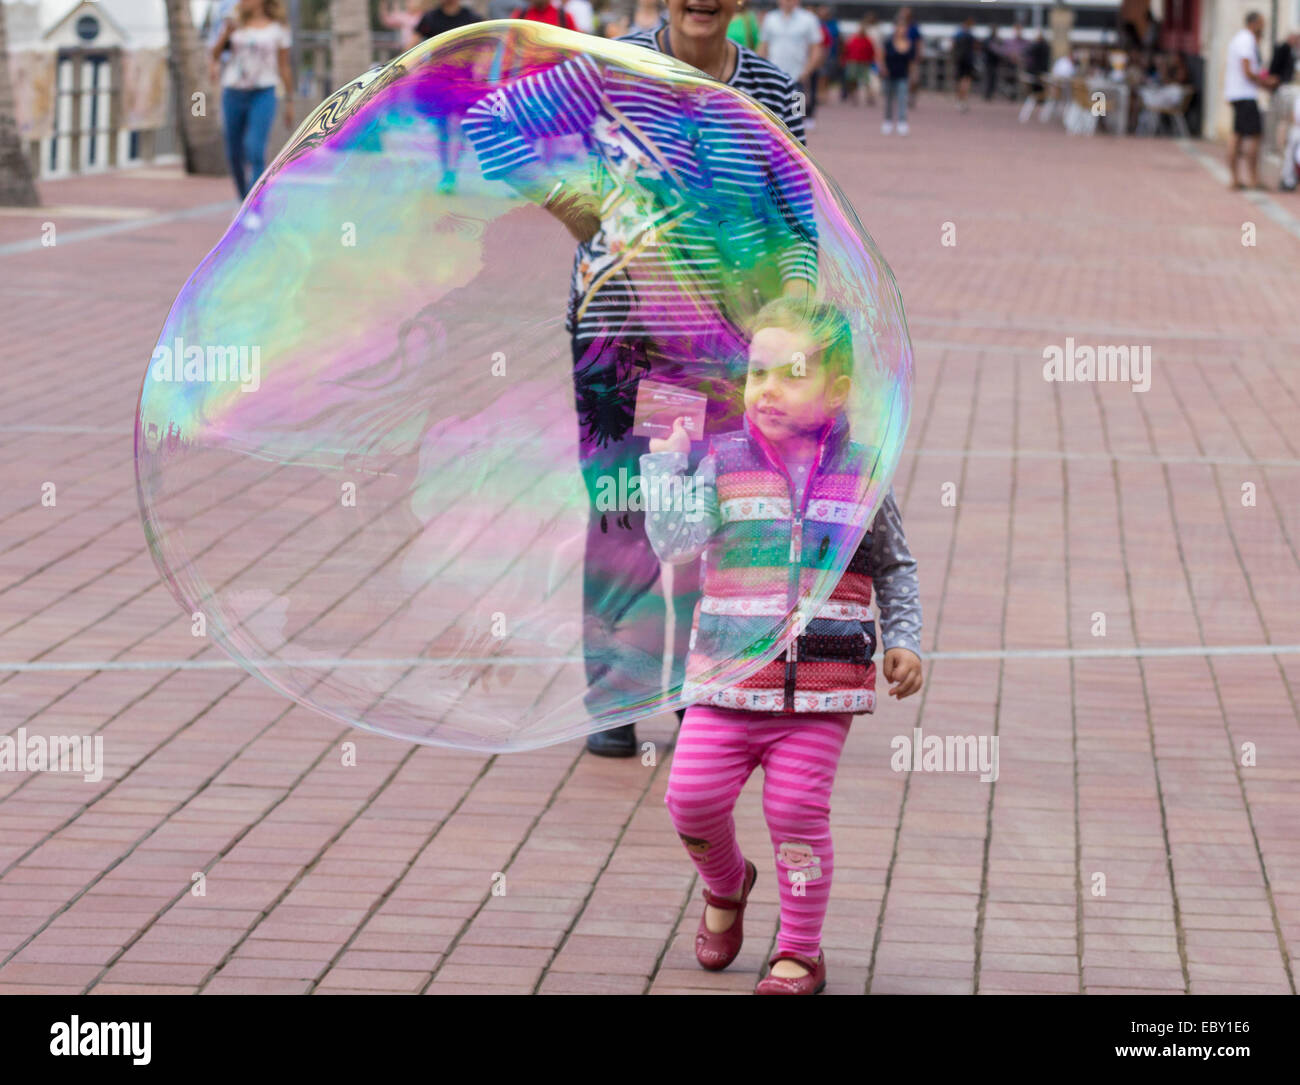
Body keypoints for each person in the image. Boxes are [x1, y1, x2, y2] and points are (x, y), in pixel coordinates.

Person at [462, 0, 816, 757]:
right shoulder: (608, 69)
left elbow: (797, 220)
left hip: (726, 341)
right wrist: (572, 206)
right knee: (624, 511)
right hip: (618, 335)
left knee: (711, 509)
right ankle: (615, 699)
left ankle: (702, 693)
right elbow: (488, 123)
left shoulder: (773, 92)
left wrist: (794, 300)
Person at [641, 297, 923, 994]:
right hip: (727, 680)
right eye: (756, 372)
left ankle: (799, 949)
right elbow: (673, 546)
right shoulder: (722, 460)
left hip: (821, 690)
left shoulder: (862, 472)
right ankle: (728, 883)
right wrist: (665, 472)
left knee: (796, 814)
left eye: (788, 373)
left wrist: (905, 639)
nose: (765, 388)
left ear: (834, 390)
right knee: (691, 799)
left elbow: (893, 564)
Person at [210, 0, 293, 209]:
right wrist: (226, 33)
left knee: (255, 149)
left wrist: (289, 100)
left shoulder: (279, 28)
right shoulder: (233, 23)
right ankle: (243, 199)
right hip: (233, 93)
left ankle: (253, 206)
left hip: (264, 92)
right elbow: (215, 54)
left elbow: (284, 66)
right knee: (234, 153)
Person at [415, 0, 483, 193]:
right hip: (439, 82)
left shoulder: (471, 19)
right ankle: (447, 172)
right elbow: (414, 46)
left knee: (461, 129)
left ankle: (453, 169)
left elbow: (485, 46)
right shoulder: (430, 18)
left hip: (464, 82)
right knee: (443, 129)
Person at [1225, 11, 1278, 190]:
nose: (1263, 27)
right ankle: (1252, 178)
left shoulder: (1239, 39)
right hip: (1245, 94)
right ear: (1254, 23)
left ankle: (1235, 178)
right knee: (1253, 135)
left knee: (1237, 134)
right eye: (1262, 23)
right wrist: (1265, 82)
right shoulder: (1246, 40)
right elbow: (1247, 70)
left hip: (1237, 92)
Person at [759, 0, 824, 132]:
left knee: (797, 119)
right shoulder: (770, 19)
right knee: (772, 119)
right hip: (773, 76)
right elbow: (763, 46)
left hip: (797, 76)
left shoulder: (808, 19)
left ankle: (797, 146)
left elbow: (816, 48)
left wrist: (807, 70)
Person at [881, 11, 916, 134]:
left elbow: (911, 62)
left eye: (904, 27)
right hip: (889, 74)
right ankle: (888, 121)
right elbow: (881, 56)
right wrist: (883, 68)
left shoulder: (909, 44)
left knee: (902, 98)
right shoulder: (888, 42)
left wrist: (912, 75)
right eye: (899, 26)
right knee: (889, 99)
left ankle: (902, 122)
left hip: (903, 75)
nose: (902, 29)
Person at [842, 21, 876, 106]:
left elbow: (871, 51)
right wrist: (845, 60)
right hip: (853, 62)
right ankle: (854, 97)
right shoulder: (853, 39)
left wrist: (870, 61)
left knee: (866, 81)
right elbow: (846, 50)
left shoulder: (868, 40)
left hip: (864, 63)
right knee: (853, 80)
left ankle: (870, 97)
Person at [952, 16, 976, 112]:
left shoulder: (958, 34)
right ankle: (964, 101)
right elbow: (974, 47)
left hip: (959, 60)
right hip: (968, 60)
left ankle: (959, 100)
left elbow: (953, 46)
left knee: (959, 81)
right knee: (966, 81)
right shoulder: (970, 36)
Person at [510, 0, 579, 29]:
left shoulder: (564, 16)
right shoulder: (519, 15)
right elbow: (510, 44)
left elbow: (575, 46)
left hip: (556, 59)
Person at [982, 25, 1001, 100]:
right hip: (989, 61)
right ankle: (988, 94)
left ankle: (990, 93)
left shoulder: (995, 39)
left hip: (993, 62)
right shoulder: (989, 40)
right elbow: (988, 49)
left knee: (993, 79)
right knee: (989, 78)